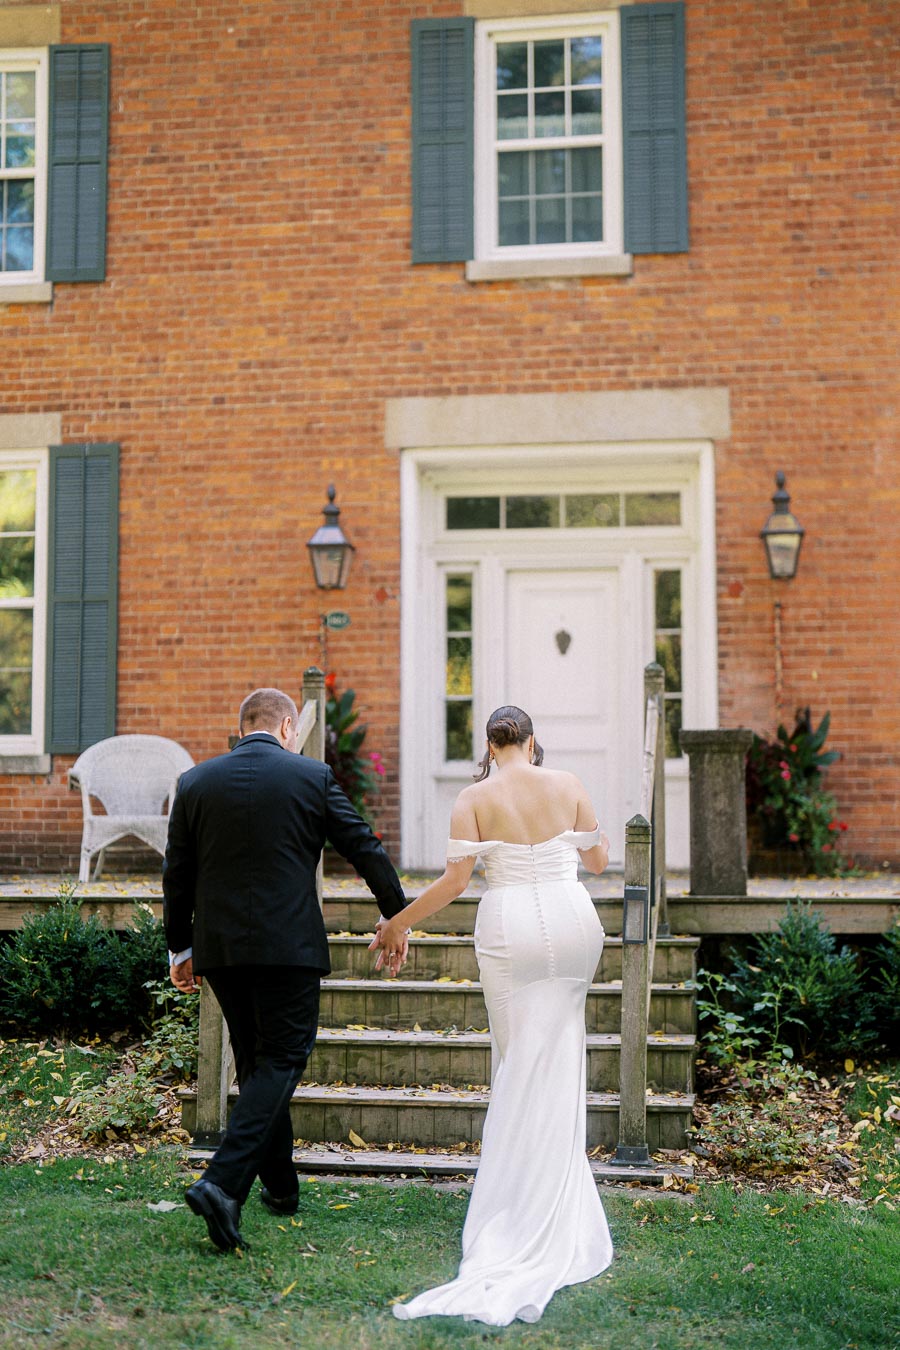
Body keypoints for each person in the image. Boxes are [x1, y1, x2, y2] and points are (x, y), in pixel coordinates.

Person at [372, 705, 613, 1325]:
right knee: (557, 1059)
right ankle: (555, 1201)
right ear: (532, 742)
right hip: (573, 920)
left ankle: (517, 1210)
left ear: (490, 744)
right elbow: (598, 863)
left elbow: (456, 882)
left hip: (510, 927)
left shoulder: (472, 798)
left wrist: (398, 921)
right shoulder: (567, 783)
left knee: (519, 1067)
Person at [163, 686, 408, 1253]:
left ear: (240, 725)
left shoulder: (195, 783)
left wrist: (180, 948)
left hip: (221, 949)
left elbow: (177, 874)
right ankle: (222, 1185)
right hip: (288, 947)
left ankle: (280, 1187)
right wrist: (396, 914)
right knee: (283, 1057)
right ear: (288, 728)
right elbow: (364, 846)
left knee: (255, 1063)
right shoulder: (311, 777)